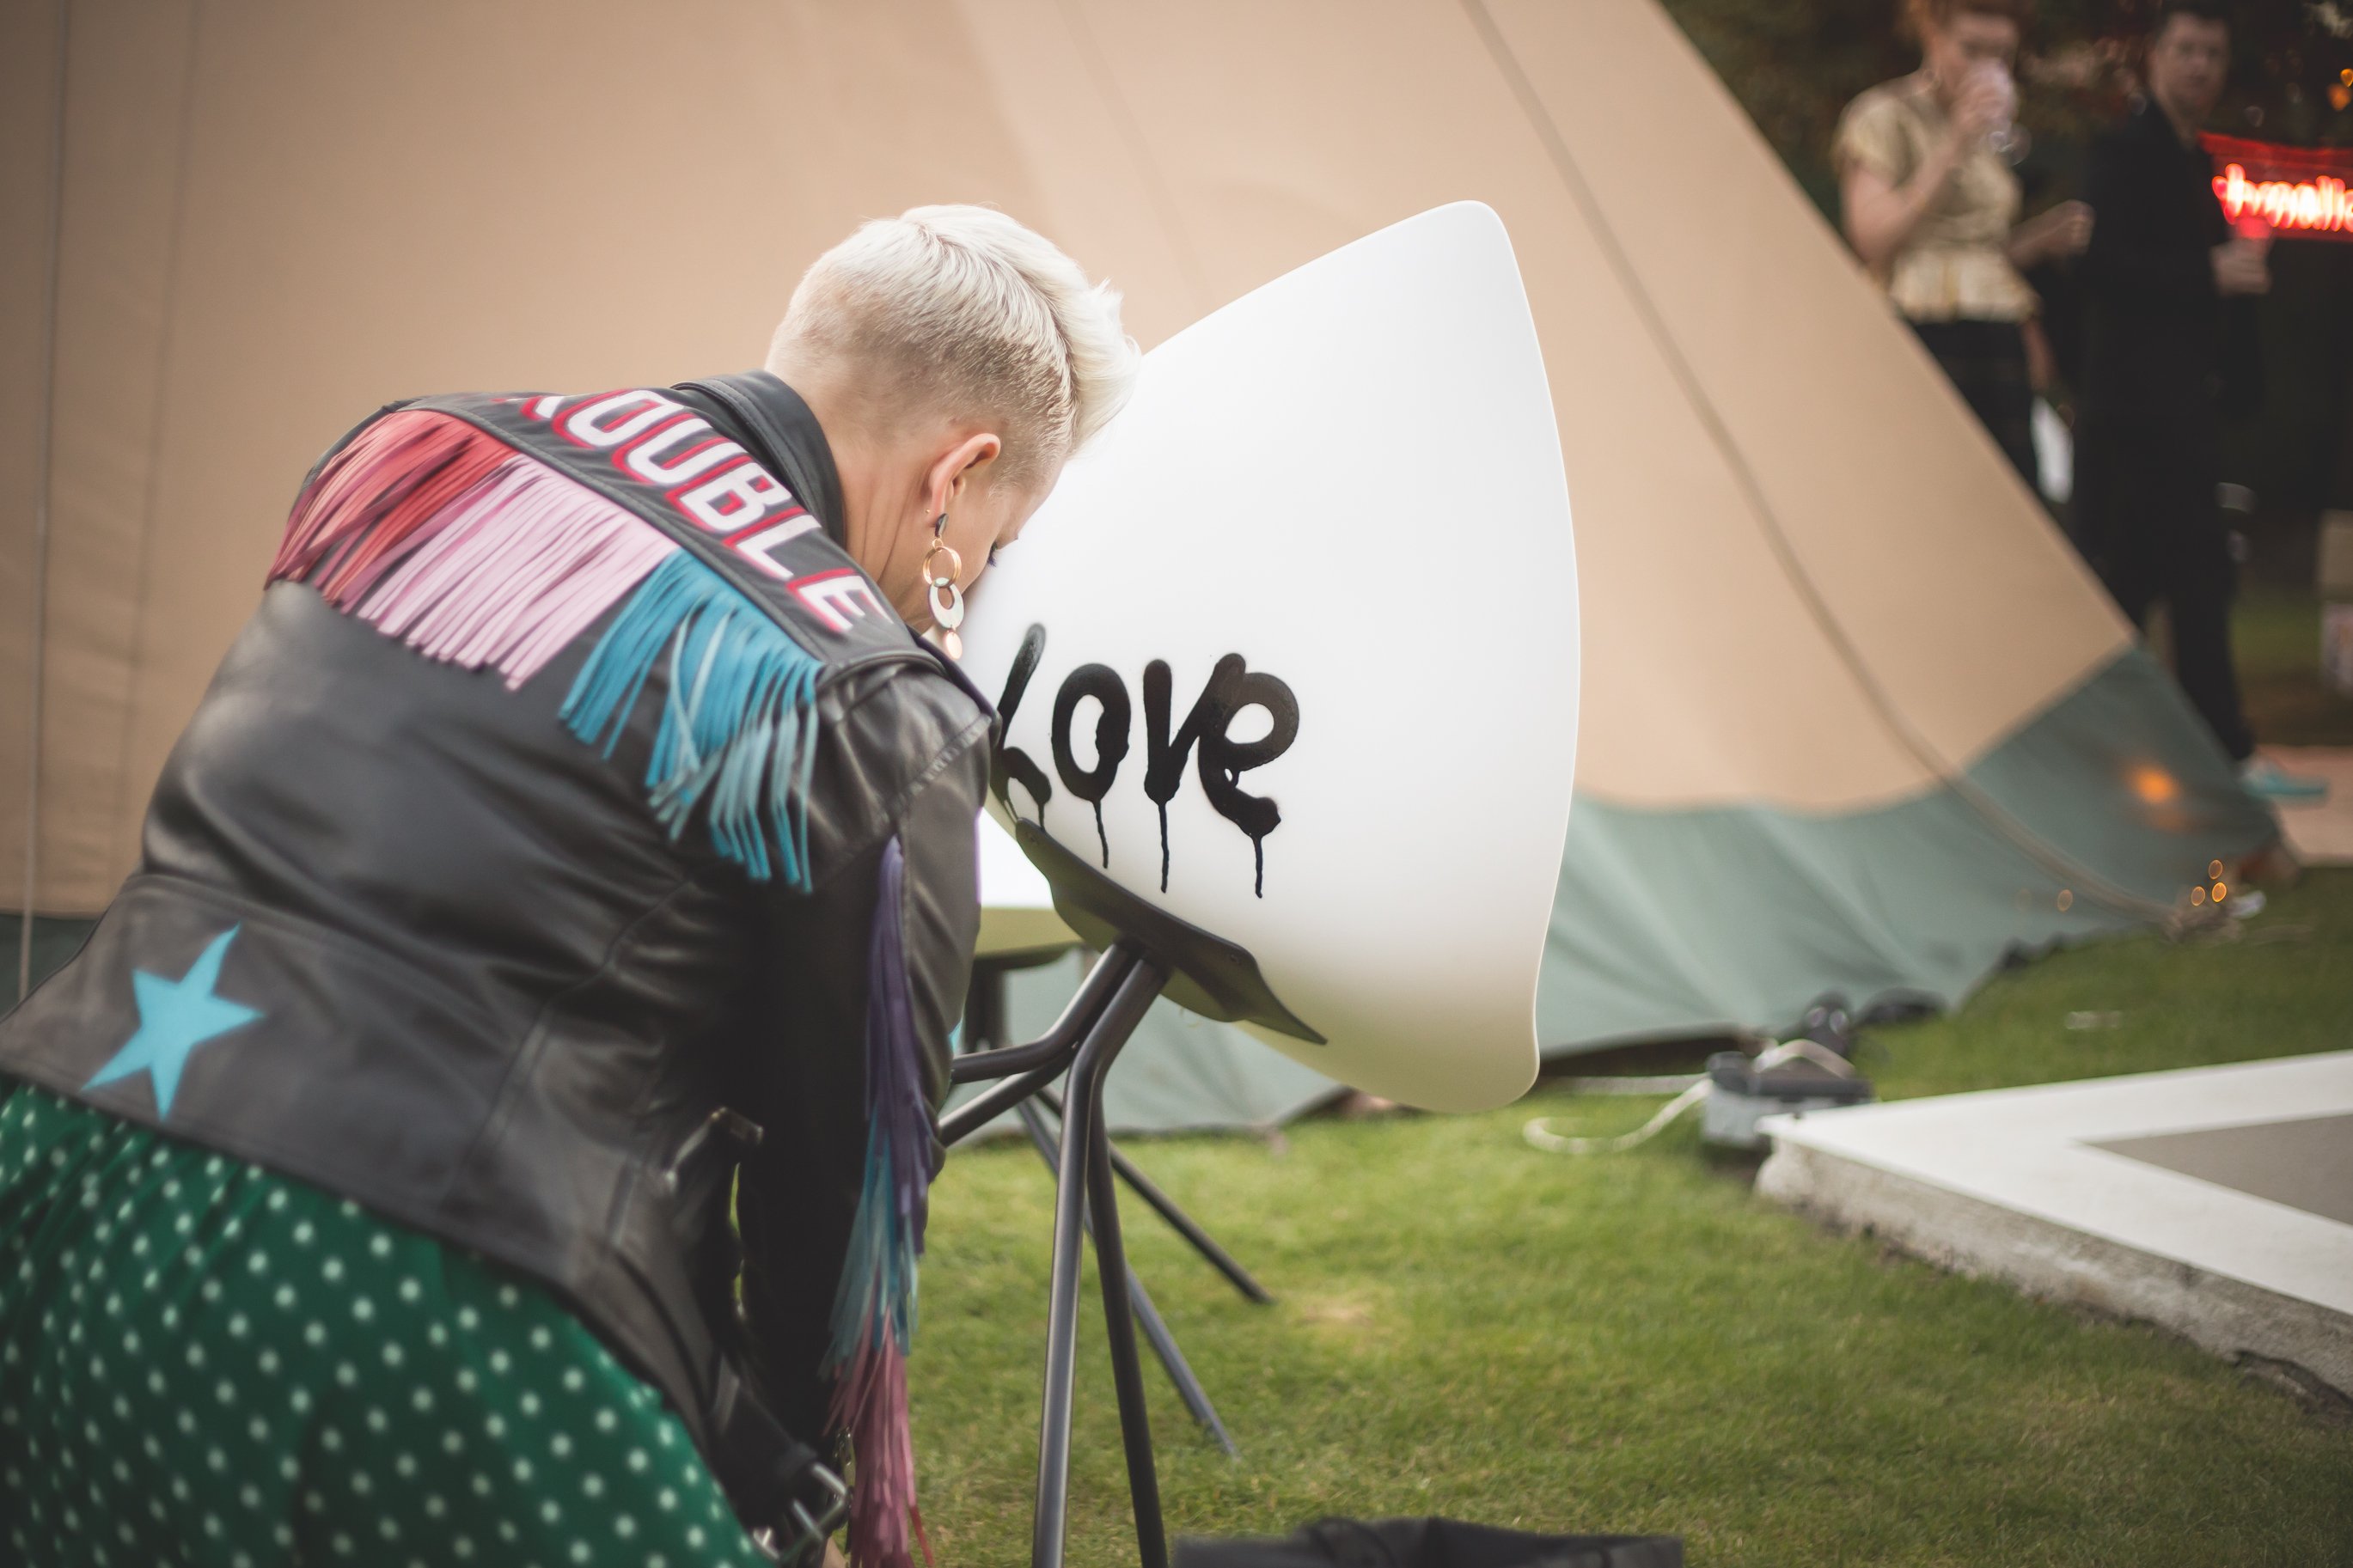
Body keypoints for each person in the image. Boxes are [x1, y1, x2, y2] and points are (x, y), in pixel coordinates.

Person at [0, 204, 1139, 1568]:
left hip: (59, 1163)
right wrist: (785, 1484)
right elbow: (831, 1198)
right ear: (957, 478)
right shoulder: (869, 696)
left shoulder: (412, 451)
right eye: (995, 547)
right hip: (411, 1290)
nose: (971, 579)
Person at [2072, 2, 2321, 800]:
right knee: (2144, 586)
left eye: (2212, 53)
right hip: (2132, 417)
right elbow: (2104, 267)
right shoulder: (2123, 154)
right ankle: (2190, 754)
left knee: (2177, 580)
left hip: (2181, 412)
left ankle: (2209, 752)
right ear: (2155, 57)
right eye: (2186, 50)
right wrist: (2209, 276)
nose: (2199, 67)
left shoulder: (2194, 162)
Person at [1837, 0, 2094, 489]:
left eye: (2000, 54)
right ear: (1932, 34)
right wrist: (1953, 143)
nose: (1986, 68)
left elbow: (1975, 255)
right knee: (1923, 487)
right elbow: (1871, 239)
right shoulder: (1884, 115)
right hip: (1917, 327)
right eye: (1970, 49)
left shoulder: (1996, 132)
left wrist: (2038, 241)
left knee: (2007, 491)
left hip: (1995, 332)